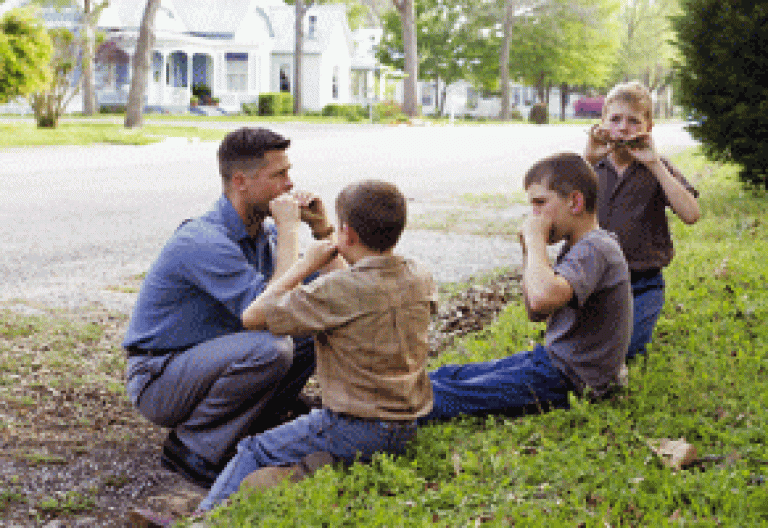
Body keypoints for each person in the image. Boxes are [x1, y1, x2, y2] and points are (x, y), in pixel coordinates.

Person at [194, 179, 437, 512]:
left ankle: (204, 518)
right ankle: (303, 475)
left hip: (354, 425)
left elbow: (252, 316)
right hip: (406, 426)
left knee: (253, 449)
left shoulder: (338, 290)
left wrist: (304, 264)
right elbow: (357, 290)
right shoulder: (419, 275)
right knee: (313, 458)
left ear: (348, 234)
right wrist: (324, 229)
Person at [123, 127, 340, 489]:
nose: (290, 184)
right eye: (278, 175)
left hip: (206, 363)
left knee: (314, 327)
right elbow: (275, 307)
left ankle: (257, 424)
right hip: (159, 378)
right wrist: (290, 231)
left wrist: (322, 229)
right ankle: (193, 447)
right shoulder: (203, 240)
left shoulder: (261, 237)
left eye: (288, 172)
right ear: (241, 181)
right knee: (274, 347)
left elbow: (342, 290)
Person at [422, 152, 632, 422]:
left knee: (452, 394)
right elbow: (536, 311)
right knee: (449, 375)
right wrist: (529, 254)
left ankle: (378, 410)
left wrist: (536, 242)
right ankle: (386, 393)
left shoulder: (597, 248)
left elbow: (543, 299)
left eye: (540, 203)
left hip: (572, 380)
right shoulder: (577, 247)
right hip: (553, 363)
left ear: (575, 201)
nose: (534, 215)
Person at [585, 81, 700, 361]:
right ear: (602, 124)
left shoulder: (657, 167)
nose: (623, 128)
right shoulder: (590, 167)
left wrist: (655, 164)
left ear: (648, 128)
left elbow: (691, 214)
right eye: (615, 119)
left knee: (626, 351)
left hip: (643, 282)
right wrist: (587, 161)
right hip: (593, 282)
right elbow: (560, 212)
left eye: (634, 121)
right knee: (584, 348)